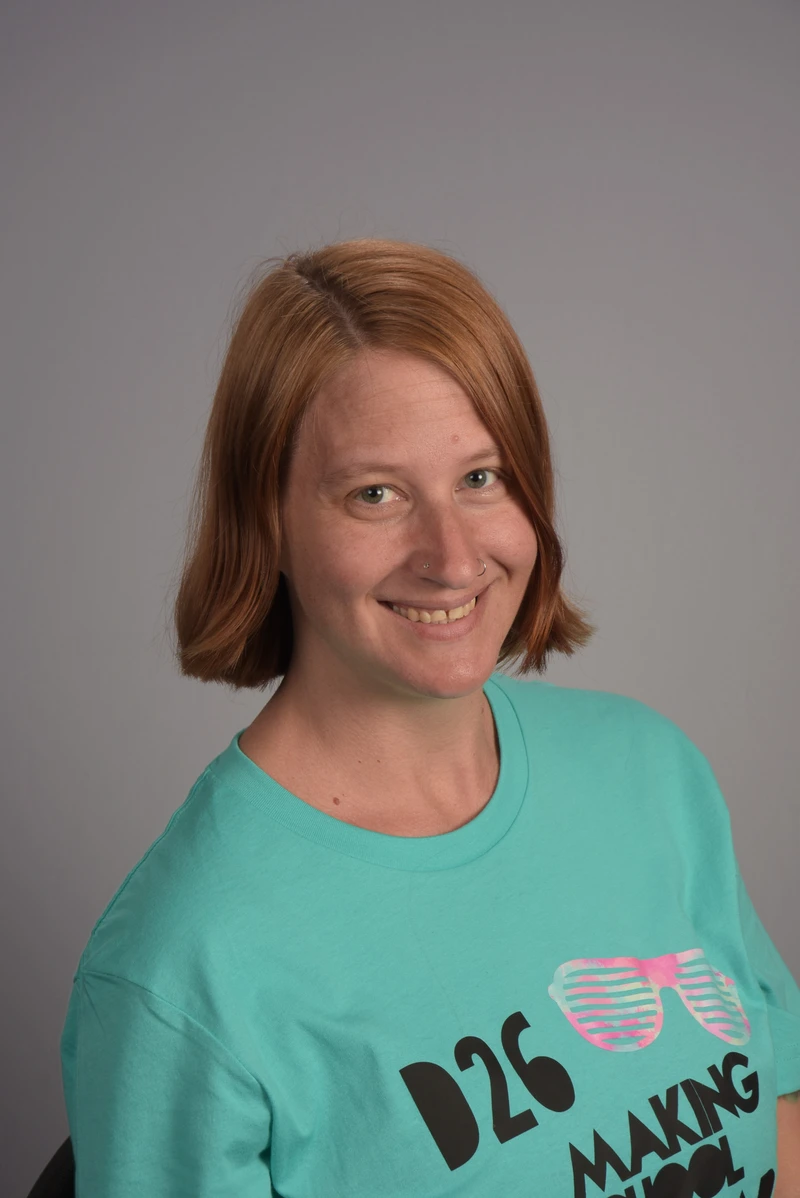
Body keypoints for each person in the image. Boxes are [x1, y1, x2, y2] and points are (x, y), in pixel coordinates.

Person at [60, 238, 800, 1196]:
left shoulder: (649, 771)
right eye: (376, 494)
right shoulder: (184, 968)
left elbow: (781, 1115)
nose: (452, 559)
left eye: (481, 478)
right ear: (266, 519)